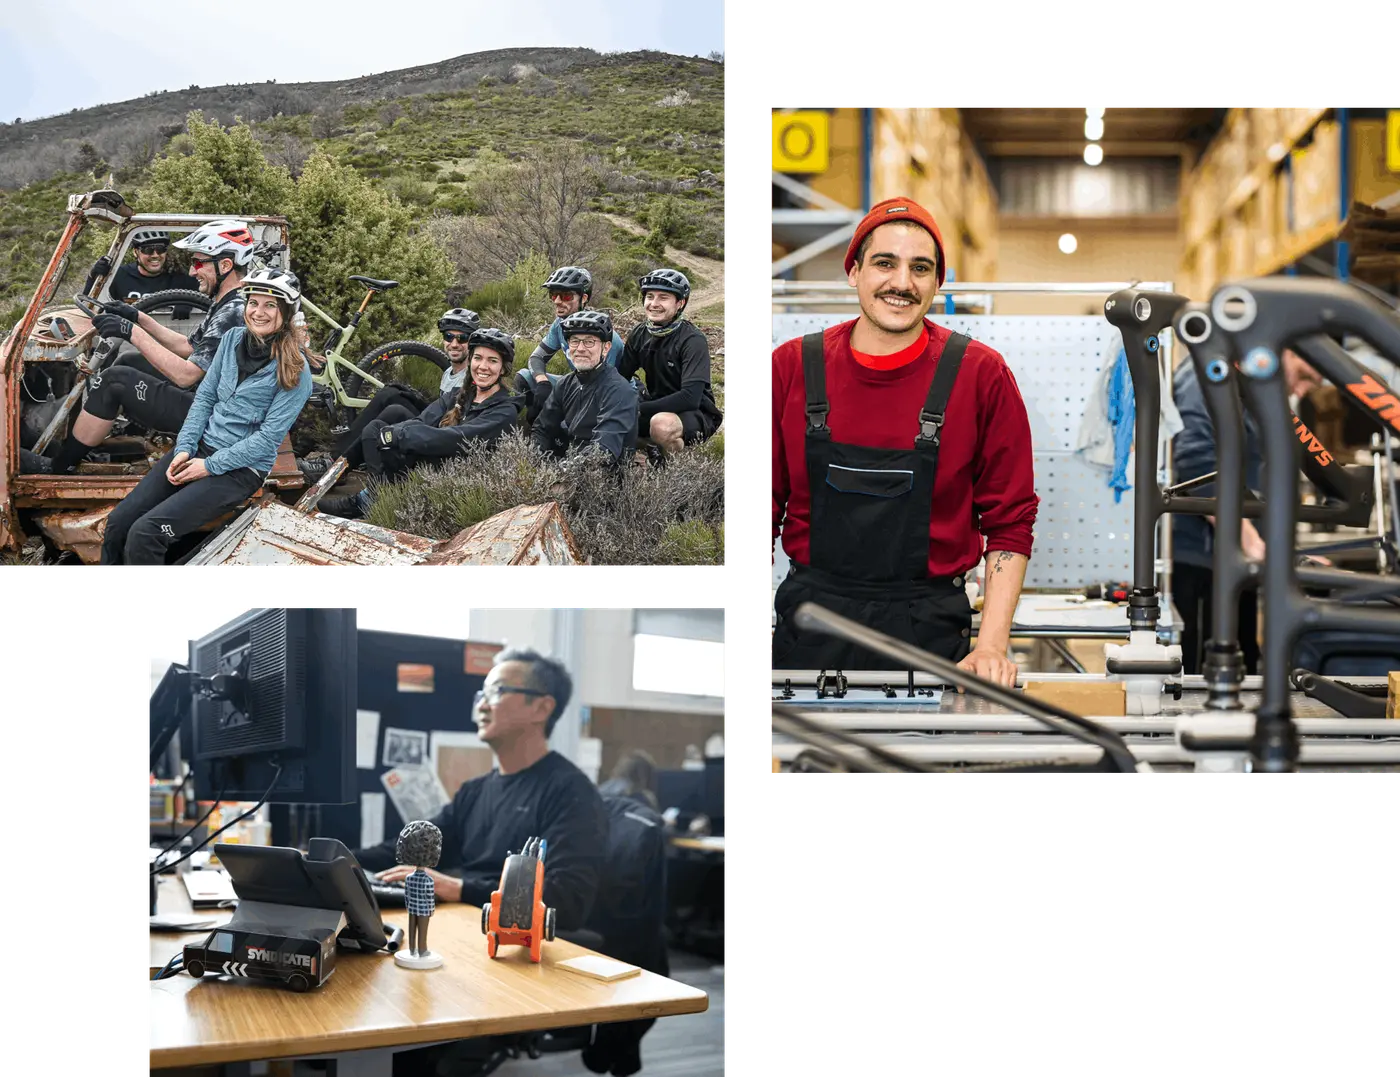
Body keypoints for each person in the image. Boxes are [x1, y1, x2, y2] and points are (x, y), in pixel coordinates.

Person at [769, 196, 1039, 685]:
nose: (902, 283)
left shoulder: (981, 374)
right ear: (853, 270)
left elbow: (1011, 521)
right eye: (884, 263)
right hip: (811, 626)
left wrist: (992, 646)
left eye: (921, 268)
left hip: (930, 633)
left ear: (938, 282)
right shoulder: (792, 367)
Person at [98, 264, 312, 567]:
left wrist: (208, 467)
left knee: (147, 534)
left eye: (270, 305)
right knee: (119, 523)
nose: (258, 312)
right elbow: (205, 399)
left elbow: (266, 441)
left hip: (239, 471)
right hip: (199, 450)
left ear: (287, 313)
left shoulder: (296, 371)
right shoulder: (232, 340)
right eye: (253, 302)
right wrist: (184, 448)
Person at [36, 219, 257, 475]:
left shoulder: (233, 312)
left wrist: (132, 333)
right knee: (129, 363)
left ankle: (59, 467)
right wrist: (137, 317)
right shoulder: (227, 303)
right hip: (212, 398)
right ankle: (109, 436)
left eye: (198, 263)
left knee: (114, 380)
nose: (192, 272)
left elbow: (186, 376)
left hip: (214, 416)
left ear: (225, 265)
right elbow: (187, 346)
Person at [1171, 345, 1323, 675]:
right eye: (1303, 377)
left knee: (1244, 670)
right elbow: (1196, 464)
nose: (1300, 391)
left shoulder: (1243, 386)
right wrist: (1250, 540)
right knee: (1203, 678)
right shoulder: (1207, 377)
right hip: (1204, 567)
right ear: (1286, 350)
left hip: (1236, 564)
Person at [317, 328, 521, 519]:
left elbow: (456, 439)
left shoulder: (504, 411)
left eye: (492, 361)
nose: (483, 366)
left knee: (393, 437)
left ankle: (372, 501)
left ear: (503, 369)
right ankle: (374, 496)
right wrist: (392, 434)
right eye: (478, 358)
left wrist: (399, 436)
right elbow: (422, 420)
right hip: (436, 460)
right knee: (376, 428)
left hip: (461, 478)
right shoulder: (459, 396)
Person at [324, 309, 482, 473]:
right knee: (392, 392)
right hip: (437, 420)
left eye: (462, 338)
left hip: (441, 436)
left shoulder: (472, 375)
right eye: (449, 337)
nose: (454, 344)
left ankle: (339, 463)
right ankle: (339, 458)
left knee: (395, 411)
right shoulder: (450, 372)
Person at [618, 268, 723, 463]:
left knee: (661, 425)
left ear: (680, 303)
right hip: (655, 405)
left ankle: (674, 470)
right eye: (650, 296)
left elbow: (690, 398)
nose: (654, 304)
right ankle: (645, 455)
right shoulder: (640, 333)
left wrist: (640, 408)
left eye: (663, 298)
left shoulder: (692, 340)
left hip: (697, 412)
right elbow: (620, 376)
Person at [517, 265, 625, 424]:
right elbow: (537, 357)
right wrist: (542, 382)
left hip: (608, 395)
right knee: (524, 377)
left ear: (584, 298)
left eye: (566, 296)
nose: (558, 302)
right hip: (578, 383)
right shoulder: (559, 324)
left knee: (568, 423)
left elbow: (601, 388)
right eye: (554, 296)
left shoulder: (607, 338)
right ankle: (534, 430)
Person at [530, 310, 638, 465]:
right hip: (567, 463)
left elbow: (603, 452)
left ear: (606, 348)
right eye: (574, 341)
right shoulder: (566, 383)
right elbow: (541, 429)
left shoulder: (619, 391)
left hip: (603, 480)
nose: (580, 348)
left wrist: (561, 470)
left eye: (589, 342)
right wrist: (538, 460)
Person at [83, 228, 198, 303]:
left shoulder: (180, 278)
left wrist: (189, 303)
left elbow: (206, 300)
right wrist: (92, 276)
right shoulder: (119, 275)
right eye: (148, 250)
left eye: (160, 249)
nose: (155, 255)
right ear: (135, 252)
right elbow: (89, 304)